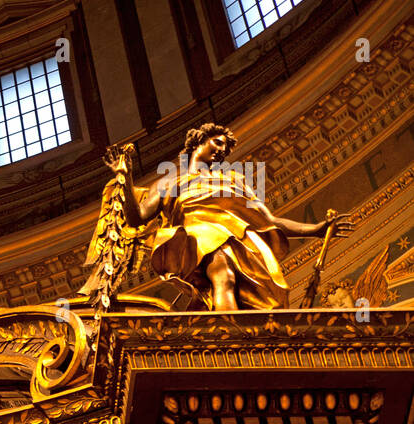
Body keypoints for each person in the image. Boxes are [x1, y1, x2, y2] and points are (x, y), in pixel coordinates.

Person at [113, 124, 353, 310]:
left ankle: (237, 331)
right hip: (198, 239)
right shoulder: (169, 182)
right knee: (223, 274)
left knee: (259, 294)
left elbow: (269, 220)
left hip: (242, 242)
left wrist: (315, 230)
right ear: (199, 141)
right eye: (217, 143)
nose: (222, 151)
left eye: (226, 149)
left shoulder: (234, 181)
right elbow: (137, 217)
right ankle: (228, 335)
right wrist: (125, 177)